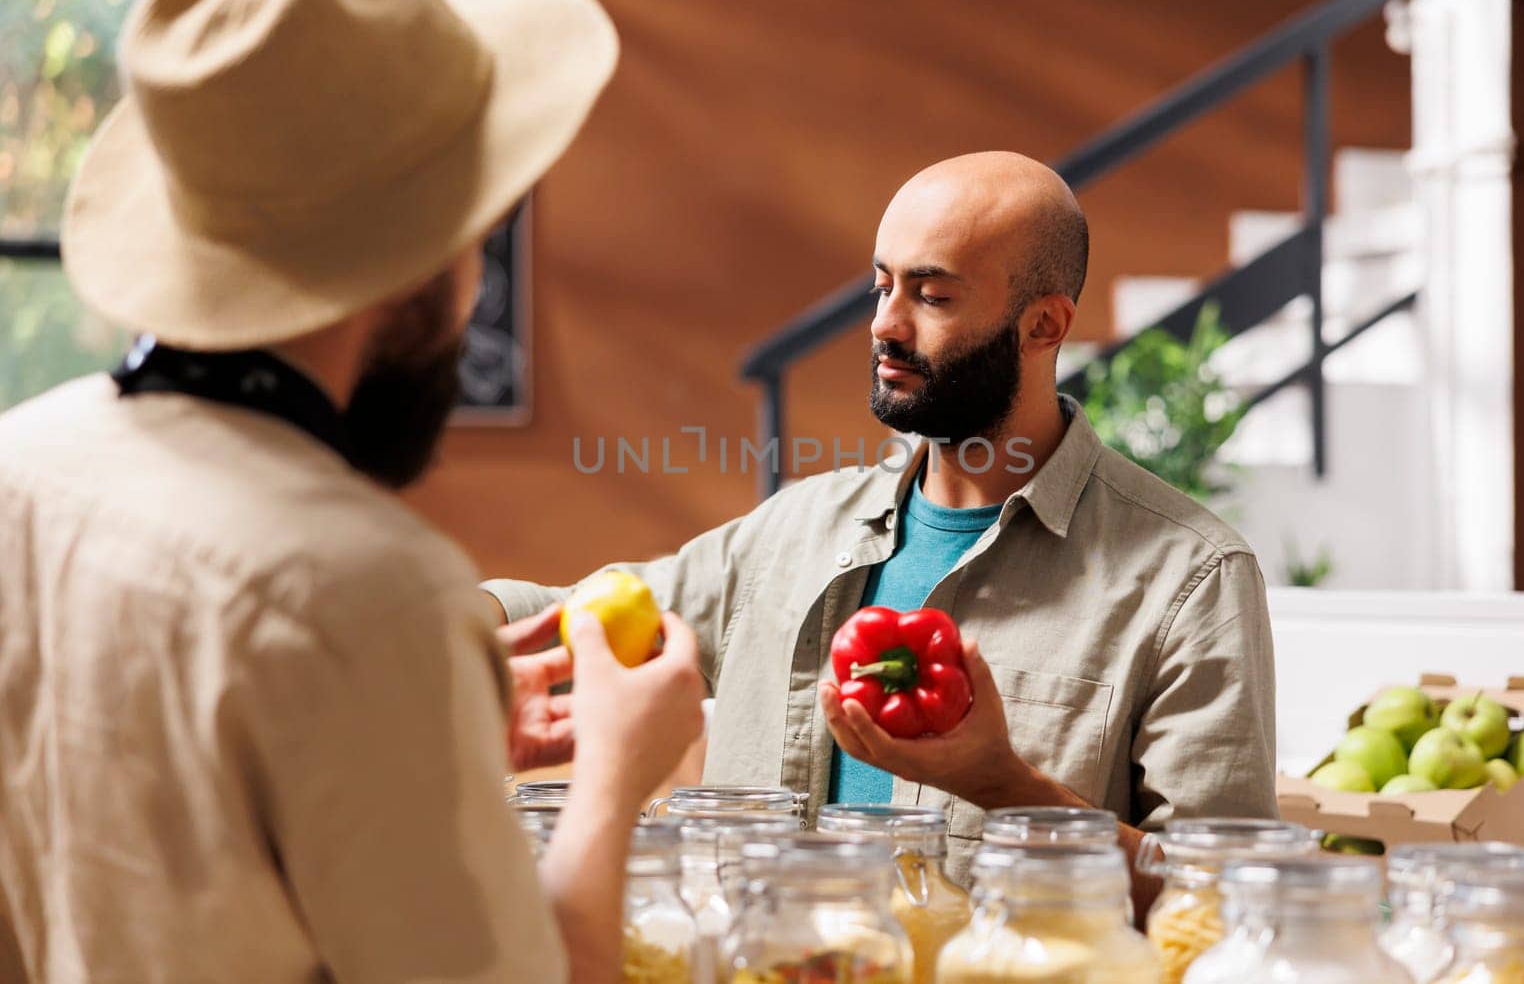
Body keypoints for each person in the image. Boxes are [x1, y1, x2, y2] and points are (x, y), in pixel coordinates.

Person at [0, 0, 704, 981]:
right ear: (416, 263)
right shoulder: (365, 592)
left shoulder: (22, 461)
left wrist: (426, 733)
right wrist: (617, 768)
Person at [487, 151, 1279, 913]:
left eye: (932, 296)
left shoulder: (1191, 577)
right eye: (881, 286)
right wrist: (435, 614)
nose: (884, 325)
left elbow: (1222, 899)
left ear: (1043, 325)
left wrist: (1003, 781)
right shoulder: (795, 529)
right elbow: (582, 614)